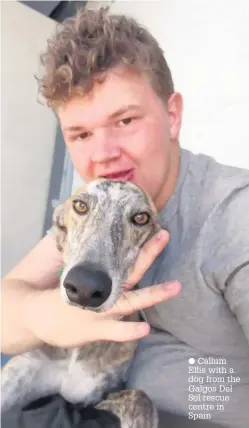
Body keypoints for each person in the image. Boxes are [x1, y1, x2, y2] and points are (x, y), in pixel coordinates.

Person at [1, 6, 249, 428]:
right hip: (94, 398)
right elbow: (7, 313)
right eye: (81, 134)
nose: (102, 155)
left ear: (172, 116)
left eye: (125, 120)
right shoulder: (98, 205)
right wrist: (48, 317)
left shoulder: (233, 217)